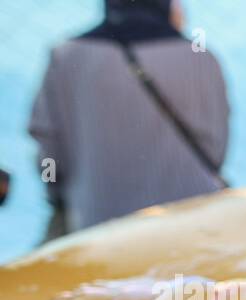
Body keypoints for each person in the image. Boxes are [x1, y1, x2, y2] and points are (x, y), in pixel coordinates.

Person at [27, 0, 229, 237]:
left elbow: (49, 149)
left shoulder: (66, 56)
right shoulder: (201, 58)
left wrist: (60, 198)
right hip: (193, 222)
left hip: (98, 226)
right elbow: (215, 149)